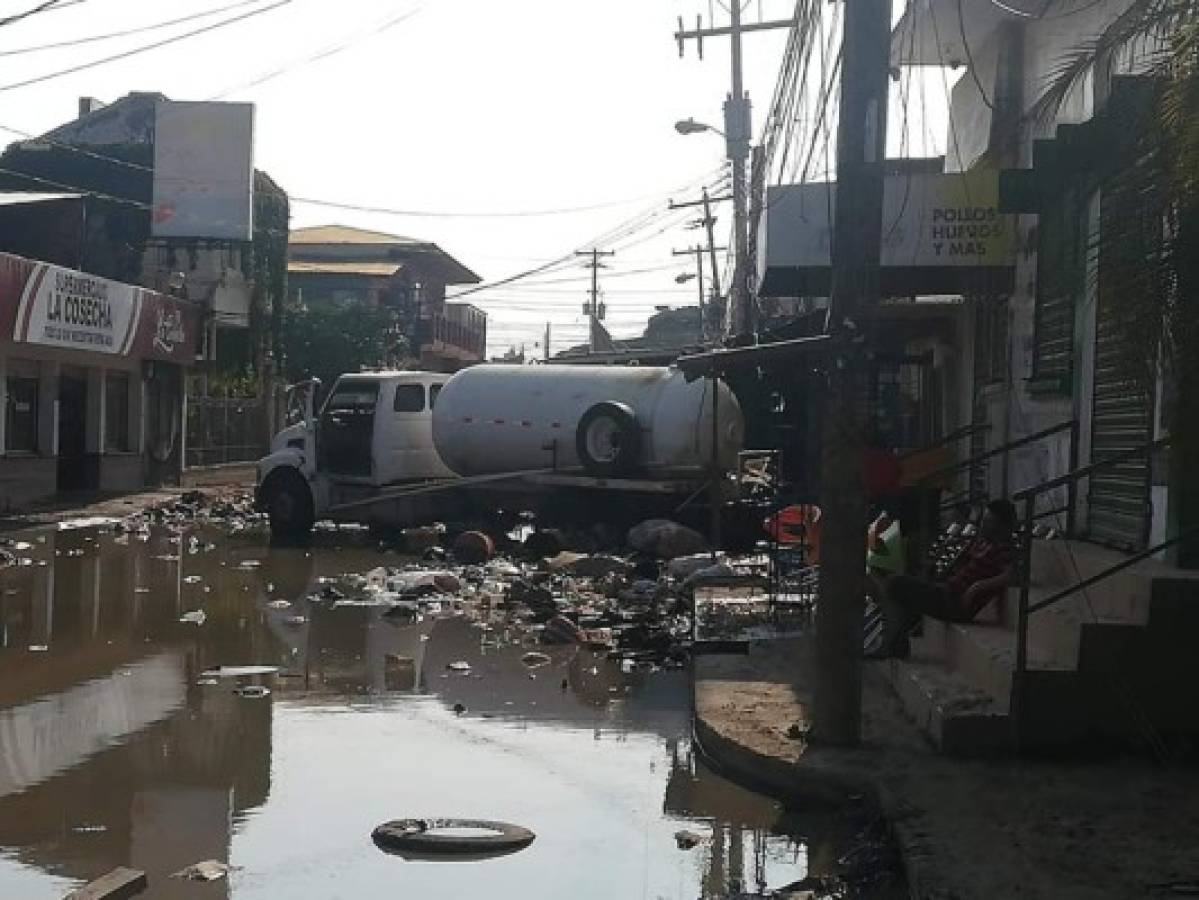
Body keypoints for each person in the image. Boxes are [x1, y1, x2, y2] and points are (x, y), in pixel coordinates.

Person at [868, 499, 1017, 659]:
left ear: (1002, 526)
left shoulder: (1004, 549)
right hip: (947, 591)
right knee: (898, 585)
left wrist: (976, 588)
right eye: (984, 520)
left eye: (989, 522)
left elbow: (1011, 575)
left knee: (894, 583)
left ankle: (892, 646)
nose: (983, 525)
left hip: (955, 603)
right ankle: (896, 643)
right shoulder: (982, 543)